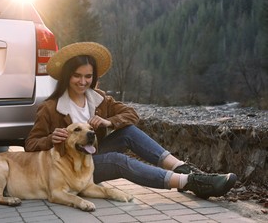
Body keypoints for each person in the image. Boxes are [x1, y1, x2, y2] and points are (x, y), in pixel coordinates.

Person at [25, 42, 237, 199]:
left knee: (128, 132)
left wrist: (109, 122)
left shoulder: (99, 100)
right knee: (118, 160)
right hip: (71, 167)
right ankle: (190, 182)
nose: (83, 81)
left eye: (88, 76)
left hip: (94, 154)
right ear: (66, 76)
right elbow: (30, 145)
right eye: (77, 76)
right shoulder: (51, 108)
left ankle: (182, 167)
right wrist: (51, 139)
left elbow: (131, 115)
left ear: (94, 77)